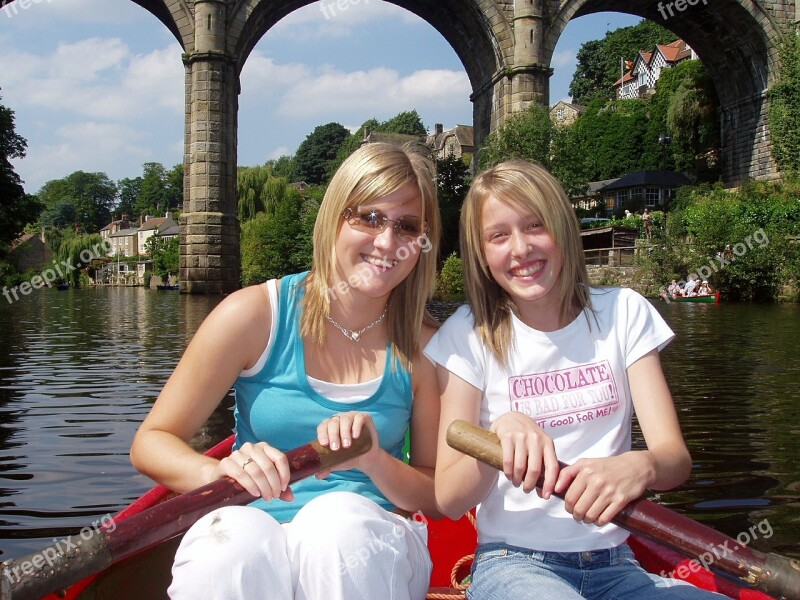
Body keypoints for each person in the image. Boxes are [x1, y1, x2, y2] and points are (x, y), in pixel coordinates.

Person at [130, 142, 443, 600]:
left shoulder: (426, 347)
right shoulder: (253, 315)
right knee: (230, 545)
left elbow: (435, 494)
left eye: (406, 226)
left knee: (335, 527)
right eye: (369, 217)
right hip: (253, 519)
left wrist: (374, 460)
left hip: (369, 543)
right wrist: (215, 476)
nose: (386, 242)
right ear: (335, 217)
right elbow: (151, 441)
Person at [426, 160, 722, 599]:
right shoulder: (466, 334)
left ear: (563, 228)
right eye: (499, 235)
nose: (521, 248)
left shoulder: (624, 312)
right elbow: (449, 498)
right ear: (482, 252)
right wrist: (497, 436)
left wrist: (643, 465)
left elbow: (674, 459)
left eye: (535, 225)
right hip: (513, 563)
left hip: (617, 563)